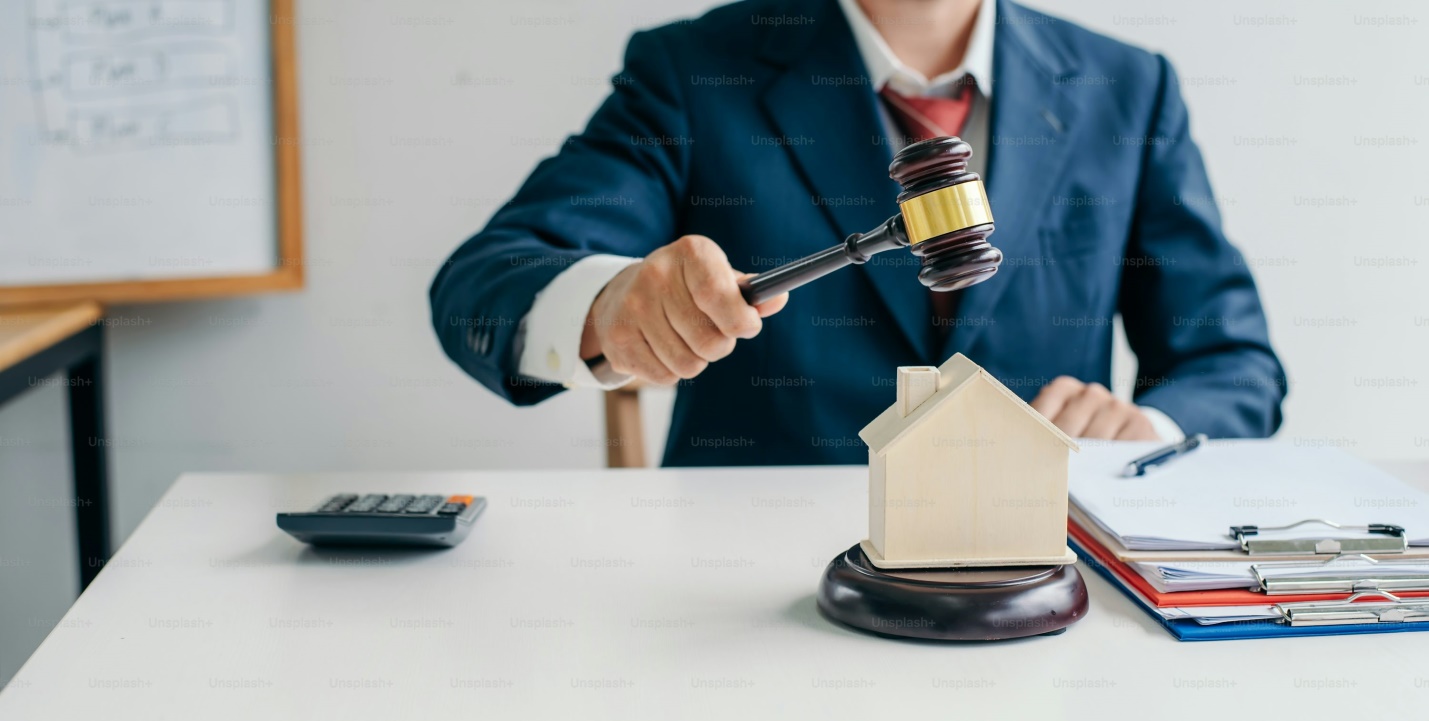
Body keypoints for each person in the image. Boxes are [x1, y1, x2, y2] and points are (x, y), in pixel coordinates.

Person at [430, 0, 1286, 466]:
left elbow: (1232, 363)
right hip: (743, 594)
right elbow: (486, 283)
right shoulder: (692, 72)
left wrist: (1148, 432)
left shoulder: (1126, 88)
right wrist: (606, 305)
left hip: (1042, 577)